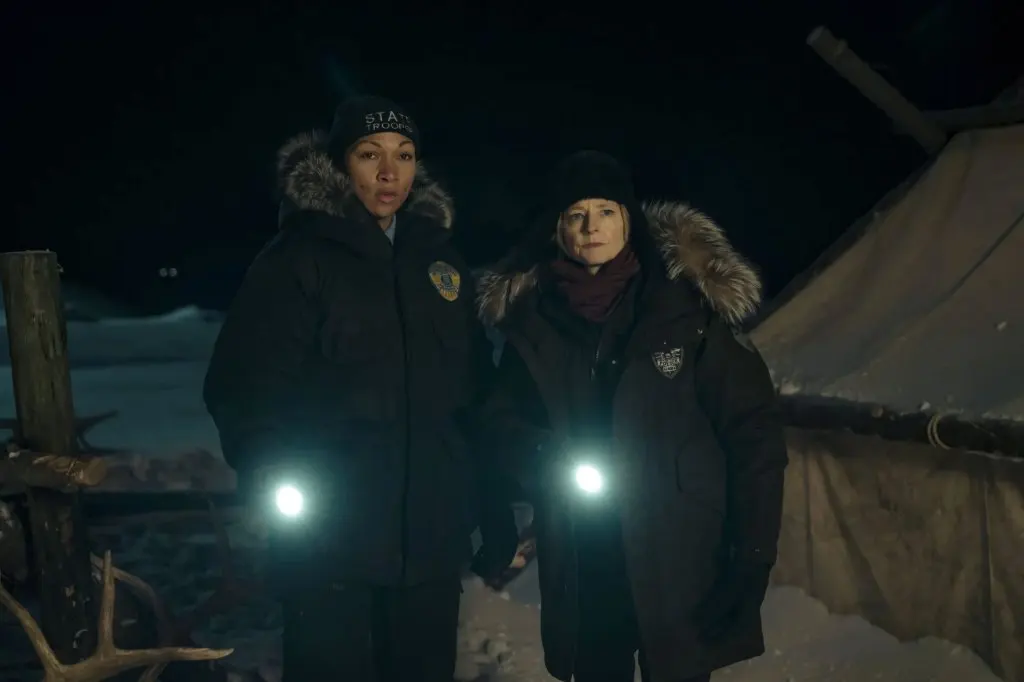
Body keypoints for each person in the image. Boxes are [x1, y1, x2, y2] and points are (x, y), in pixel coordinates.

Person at [203, 95, 517, 682]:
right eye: (370, 154)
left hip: (428, 544)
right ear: (340, 165)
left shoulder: (440, 265)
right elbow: (243, 385)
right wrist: (276, 475)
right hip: (330, 544)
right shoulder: (297, 260)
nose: (389, 172)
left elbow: (474, 397)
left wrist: (491, 504)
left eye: (404, 155)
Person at [474, 150, 788, 682]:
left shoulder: (683, 313)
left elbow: (754, 436)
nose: (591, 226)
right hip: (586, 553)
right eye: (576, 214)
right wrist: (541, 452)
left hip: (680, 554)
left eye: (606, 211)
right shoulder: (536, 322)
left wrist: (752, 559)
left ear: (629, 221)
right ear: (558, 230)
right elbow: (498, 423)